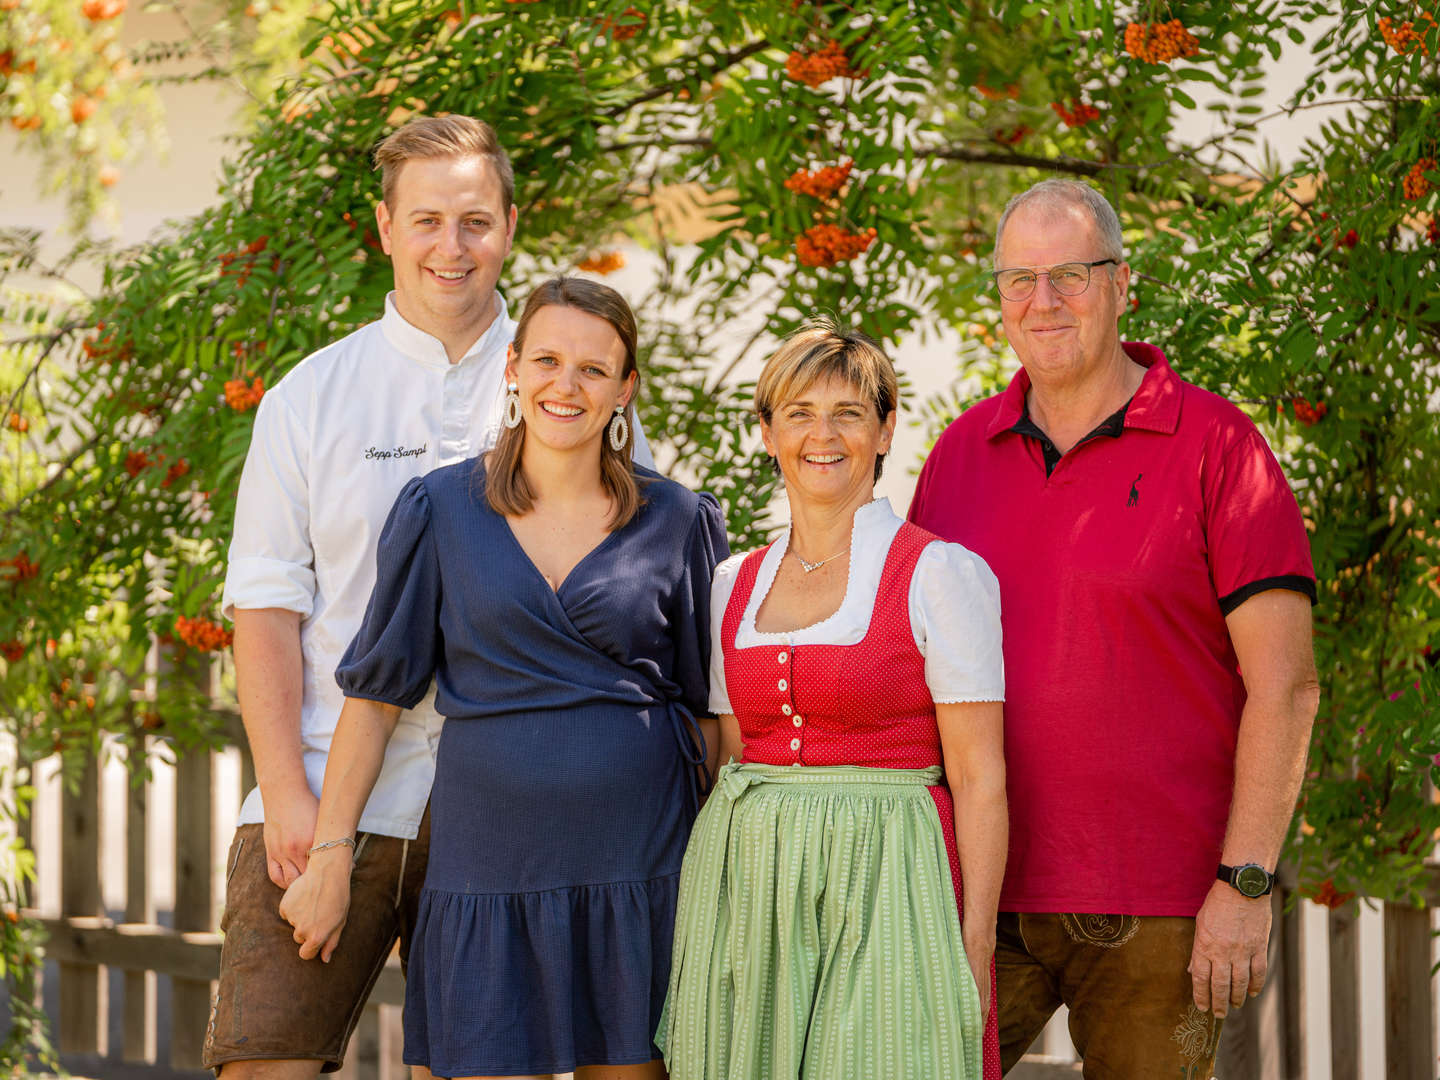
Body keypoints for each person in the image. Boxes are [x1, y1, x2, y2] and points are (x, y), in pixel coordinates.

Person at [208, 116, 652, 1077]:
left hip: (509, 802)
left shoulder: (567, 386)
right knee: (262, 1057)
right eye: (427, 221)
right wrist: (287, 793)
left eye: (475, 221)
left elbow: (631, 595)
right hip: (333, 785)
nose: (451, 247)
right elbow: (265, 608)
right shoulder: (310, 399)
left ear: (509, 225)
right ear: (384, 228)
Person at [909, 178, 1320, 1077]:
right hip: (982, 892)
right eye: (1020, 279)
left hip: (1160, 905)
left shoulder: (1220, 447)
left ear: (1123, 283)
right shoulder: (958, 455)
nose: (1043, 302)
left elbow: (1285, 686)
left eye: (1071, 275)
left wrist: (1245, 881)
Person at [279, 276, 728, 1080]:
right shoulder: (441, 510)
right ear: (513, 369)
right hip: (486, 866)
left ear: (626, 387)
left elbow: (712, 715)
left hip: (643, 868)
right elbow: (377, 698)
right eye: (548, 359)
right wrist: (328, 858)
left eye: (594, 369)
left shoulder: (680, 521)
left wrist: (726, 871)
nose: (568, 384)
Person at [656, 322, 1008, 1080]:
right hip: (750, 881)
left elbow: (980, 779)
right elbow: (728, 753)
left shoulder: (937, 574)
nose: (824, 434)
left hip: (890, 872)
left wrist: (972, 946)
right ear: (767, 432)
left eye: (849, 412)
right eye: (799, 412)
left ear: (885, 431)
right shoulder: (732, 584)